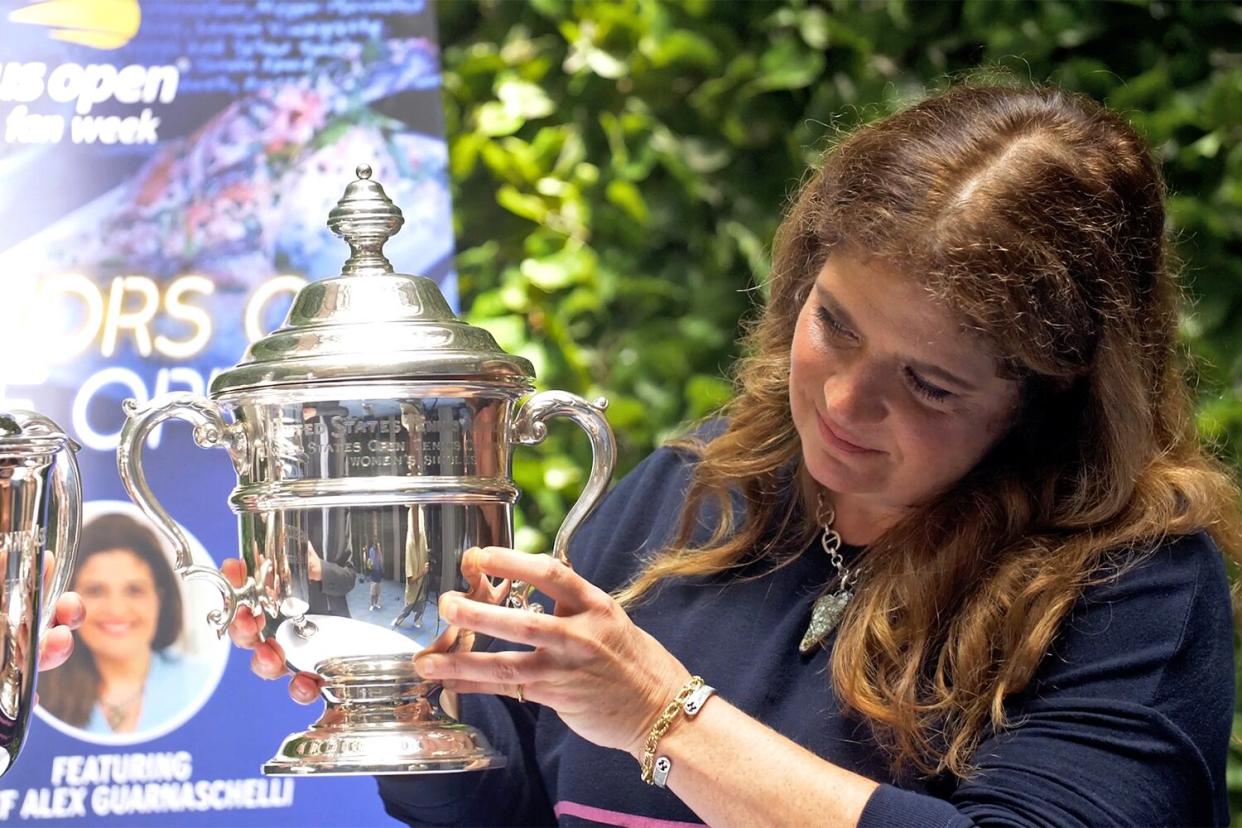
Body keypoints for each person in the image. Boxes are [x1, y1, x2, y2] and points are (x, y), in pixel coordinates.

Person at [229, 81, 1242, 826]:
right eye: (833, 322)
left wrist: (664, 717)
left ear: (1053, 395)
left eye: (928, 383)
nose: (847, 401)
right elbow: (507, 798)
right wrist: (398, 679)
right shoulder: (700, 486)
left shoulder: (1134, 579)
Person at [39, 512, 210, 735]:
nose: (116, 609)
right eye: (96, 590)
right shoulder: (36, 696)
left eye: (134, 590)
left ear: (161, 598)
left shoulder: (200, 685)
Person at [366, 540, 384, 611]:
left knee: (377, 592)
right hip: (373, 574)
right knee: (372, 592)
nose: (377, 547)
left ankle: (376, 604)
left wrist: (379, 552)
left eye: (378, 546)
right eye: (376, 545)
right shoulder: (371, 551)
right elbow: (371, 562)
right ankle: (371, 605)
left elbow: (381, 562)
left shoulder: (379, 553)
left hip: (379, 575)